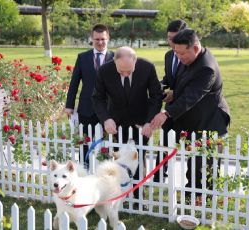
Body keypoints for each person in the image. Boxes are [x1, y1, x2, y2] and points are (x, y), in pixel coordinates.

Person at [150, 29, 231, 197]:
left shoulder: (206, 68)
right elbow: (184, 85)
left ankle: (202, 200)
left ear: (195, 48)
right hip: (193, 119)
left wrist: (166, 113)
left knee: (203, 166)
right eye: (176, 53)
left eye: (181, 53)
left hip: (210, 122)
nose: (179, 57)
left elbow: (191, 97)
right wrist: (174, 93)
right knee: (193, 161)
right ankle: (192, 196)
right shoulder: (188, 59)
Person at [92, 46, 163, 200]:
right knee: (118, 160)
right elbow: (97, 98)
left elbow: (156, 96)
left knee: (138, 157)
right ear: (114, 62)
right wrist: (106, 119)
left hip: (141, 123)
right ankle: (119, 196)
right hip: (116, 123)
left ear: (135, 61)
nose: (125, 74)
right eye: (121, 71)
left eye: (129, 72)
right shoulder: (104, 70)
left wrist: (148, 122)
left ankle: (139, 198)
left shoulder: (147, 68)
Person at [65, 24, 114, 168]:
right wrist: (69, 105)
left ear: (108, 38)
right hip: (86, 109)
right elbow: (74, 83)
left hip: (107, 110)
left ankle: (104, 171)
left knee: (106, 144)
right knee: (84, 143)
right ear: (91, 39)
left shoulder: (115, 57)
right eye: (97, 39)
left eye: (103, 39)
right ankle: (83, 170)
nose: (100, 42)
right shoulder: (82, 57)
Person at [153, 19, 187, 183]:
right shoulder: (168, 55)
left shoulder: (190, 56)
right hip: (170, 108)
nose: (172, 42)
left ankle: (193, 183)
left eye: (175, 38)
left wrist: (176, 92)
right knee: (164, 142)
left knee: (191, 147)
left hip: (188, 108)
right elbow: (169, 78)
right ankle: (159, 175)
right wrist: (157, 85)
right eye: (169, 38)